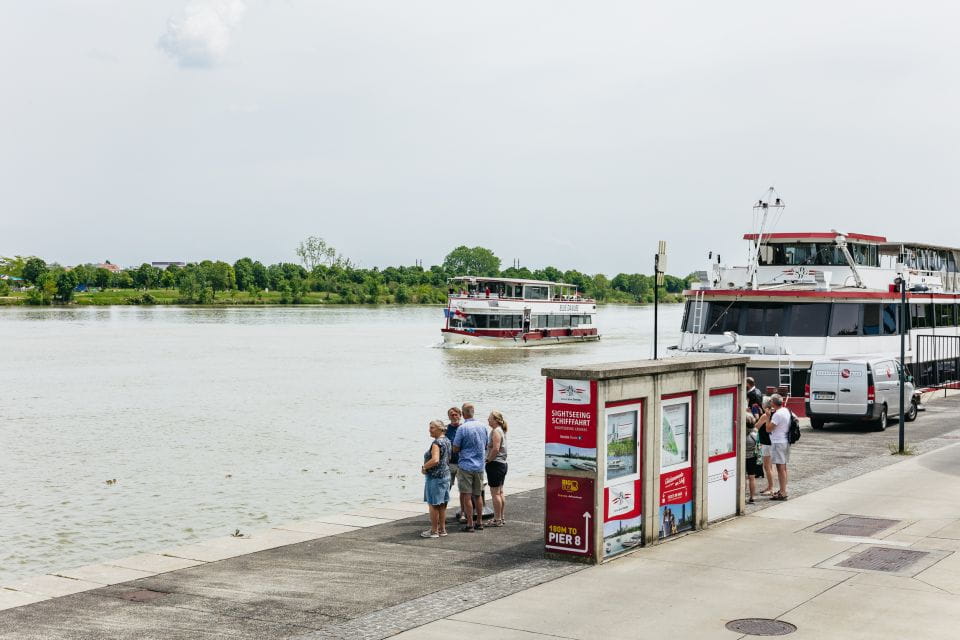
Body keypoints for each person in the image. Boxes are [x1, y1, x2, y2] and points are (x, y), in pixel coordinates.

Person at [452, 402, 489, 531]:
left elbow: (456, 448)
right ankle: (479, 522)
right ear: (473, 411)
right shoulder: (483, 426)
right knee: (478, 495)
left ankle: (469, 523)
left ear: (462, 414)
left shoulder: (462, 428)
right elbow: (486, 445)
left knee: (467, 495)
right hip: (479, 466)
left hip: (465, 465)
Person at [756, 394, 791, 500]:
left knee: (780, 468)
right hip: (784, 440)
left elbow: (768, 429)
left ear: (773, 403)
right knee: (783, 467)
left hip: (778, 442)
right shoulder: (785, 410)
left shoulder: (777, 415)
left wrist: (767, 417)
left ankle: (783, 492)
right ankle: (782, 489)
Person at [420, 420, 451, 538]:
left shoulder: (436, 443)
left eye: (432, 428)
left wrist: (424, 467)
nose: (429, 430)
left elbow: (435, 460)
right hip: (445, 475)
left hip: (435, 477)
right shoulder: (447, 441)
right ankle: (442, 529)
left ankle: (434, 531)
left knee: (433, 504)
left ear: (440, 429)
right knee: (442, 504)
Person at [485, 411, 509, 527]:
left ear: (496, 420)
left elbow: (496, 448)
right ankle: (501, 516)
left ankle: (497, 519)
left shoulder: (496, 431)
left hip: (495, 464)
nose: (488, 420)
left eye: (490, 418)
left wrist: (488, 459)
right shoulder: (501, 430)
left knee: (495, 494)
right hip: (502, 464)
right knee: (500, 492)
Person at [757, 399, 775, 496]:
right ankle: (769, 486)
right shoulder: (773, 414)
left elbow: (756, 426)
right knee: (770, 467)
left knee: (767, 467)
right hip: (771, 442)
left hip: (766, 443)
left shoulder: (765, 416)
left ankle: (771, 488)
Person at [744, 412, 764, 503]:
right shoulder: (755, 434)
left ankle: (742, 496)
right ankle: (752, 496)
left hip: (743, 458)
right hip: (752, 457)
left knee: (743, 478)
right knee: (752, 477)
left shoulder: (742, 435)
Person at [445, 407, 463, 492]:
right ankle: (443, 504)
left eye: (456, 415)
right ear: (448, 417)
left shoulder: (464, 428)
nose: (454, 417)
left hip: (462, 463)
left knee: (464, 489)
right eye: (452, 415)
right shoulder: (444, 429)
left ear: (460, 416)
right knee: (446, 488)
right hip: (449, 463)